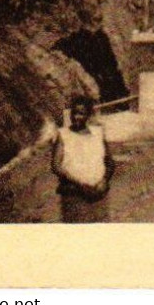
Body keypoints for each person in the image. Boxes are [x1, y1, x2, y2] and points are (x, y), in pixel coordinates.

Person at [52, 94, 114, 222]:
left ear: (88, 115)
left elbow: (109, 161)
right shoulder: (63, 135)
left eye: (81, 113)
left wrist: (104, 181)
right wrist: (80, 184)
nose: (76, 117)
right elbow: (56, 165)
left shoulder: (98, 133)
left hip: (99, 193)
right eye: (74, 113)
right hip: (74, 194)